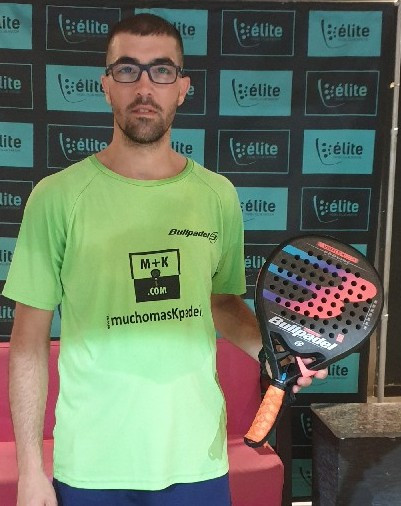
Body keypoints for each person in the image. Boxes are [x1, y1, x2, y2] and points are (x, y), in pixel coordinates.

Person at [3, 14, 327, 506]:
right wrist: (30, 470)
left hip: (196, 460)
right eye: (127, 70)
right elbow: (28, 343)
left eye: (161, 70)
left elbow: (221, 303)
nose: (144, 87)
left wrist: (272, 352)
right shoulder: (57, 197)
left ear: (182, 88)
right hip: (92, 464)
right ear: (106, 85)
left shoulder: (217, 195)